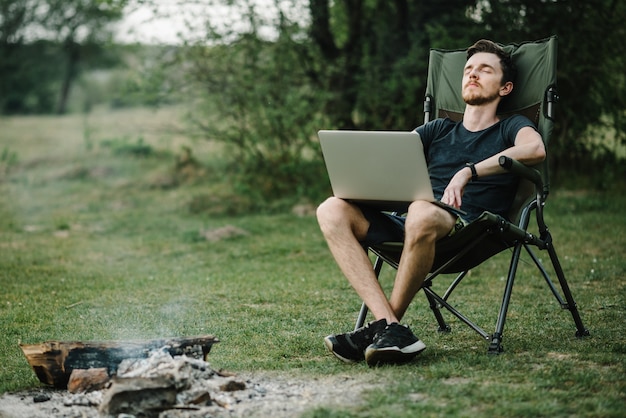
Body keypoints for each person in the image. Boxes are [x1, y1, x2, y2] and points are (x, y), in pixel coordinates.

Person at [316, 39, 546, 367]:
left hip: (469, 227)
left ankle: (382, 330)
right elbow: (390, 165)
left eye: (485, 69)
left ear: (505, 87)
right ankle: (390, 328)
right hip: (410, 220)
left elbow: (536, 150)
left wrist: (468, 172)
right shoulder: (438, 129)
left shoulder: (512, 127)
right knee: (331, 208)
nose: (473, 74)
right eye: (468, 70)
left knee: (422, 210)